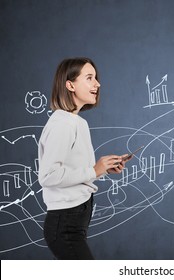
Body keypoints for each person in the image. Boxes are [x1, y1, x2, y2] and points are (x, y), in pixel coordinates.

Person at [38, 57, 131, 259]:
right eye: (89, 78)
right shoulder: (63, 124)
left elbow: (74, 173)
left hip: (76, 222)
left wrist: (103, 169)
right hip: (65, 226)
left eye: (96, 78)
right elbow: (48, 176)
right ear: (70, 85)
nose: (97, 84)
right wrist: (94, 170)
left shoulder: (78, 123)